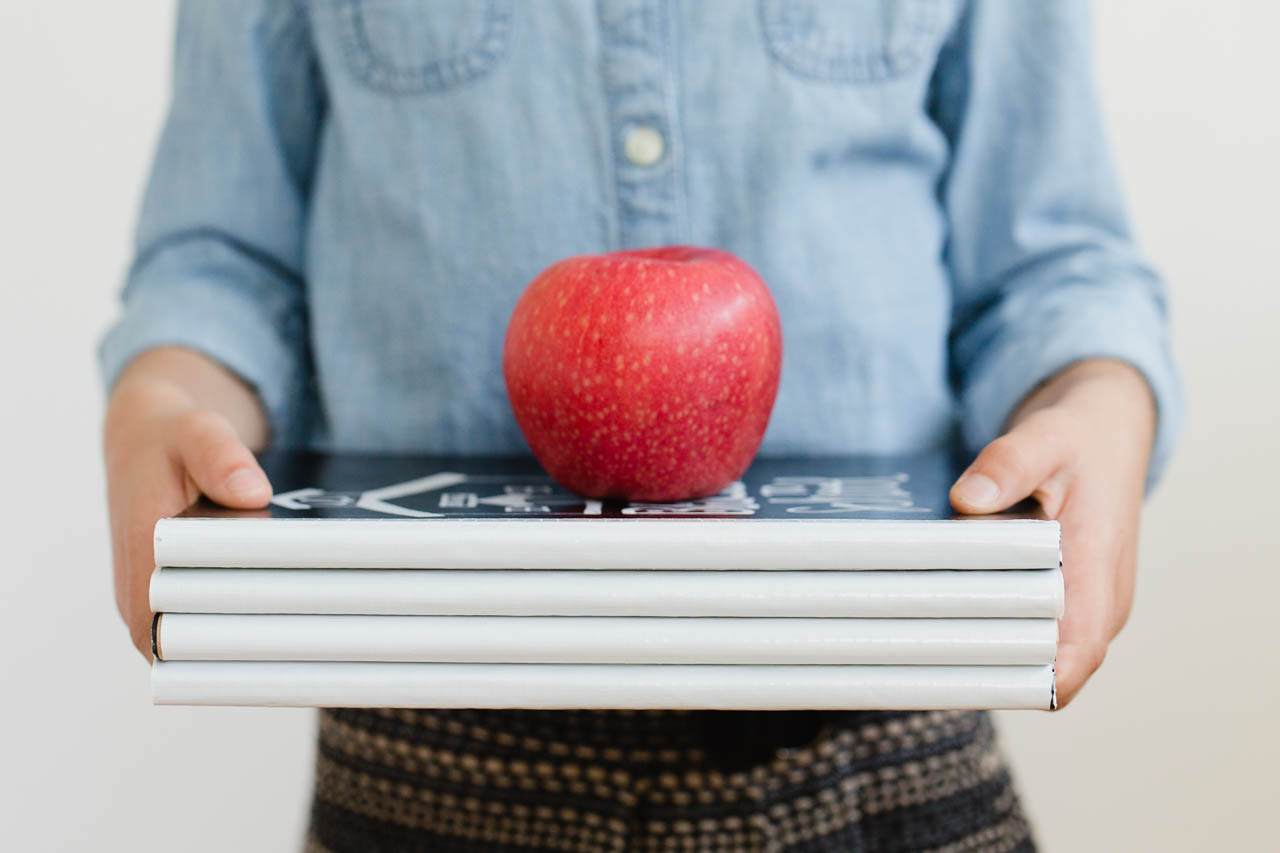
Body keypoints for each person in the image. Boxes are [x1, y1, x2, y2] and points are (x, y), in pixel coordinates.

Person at [101, 2, 1181, 850]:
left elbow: (1050, 263)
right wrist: (167, 393)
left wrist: (1097, 398)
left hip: (885, 736)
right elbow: (222, 262)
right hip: (425, 747)